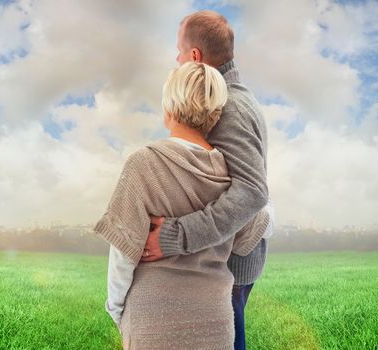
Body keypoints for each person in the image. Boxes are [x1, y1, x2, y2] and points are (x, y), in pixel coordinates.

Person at [94, 61, 269, 350]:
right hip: (216, 323)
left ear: (169, 108)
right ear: (215, 114)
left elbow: (123, 254)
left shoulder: (142, 165)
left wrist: (117, 310)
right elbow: (248, 238)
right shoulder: (233, 177)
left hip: (151, 321)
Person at [140, 11, 274, 350]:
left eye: (179, 51)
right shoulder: (229, 97)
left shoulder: (228, 106)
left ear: (195, 56)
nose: (177, 58)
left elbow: (253, 191)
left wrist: (175, 237)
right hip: (227, 255)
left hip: (230, 263)